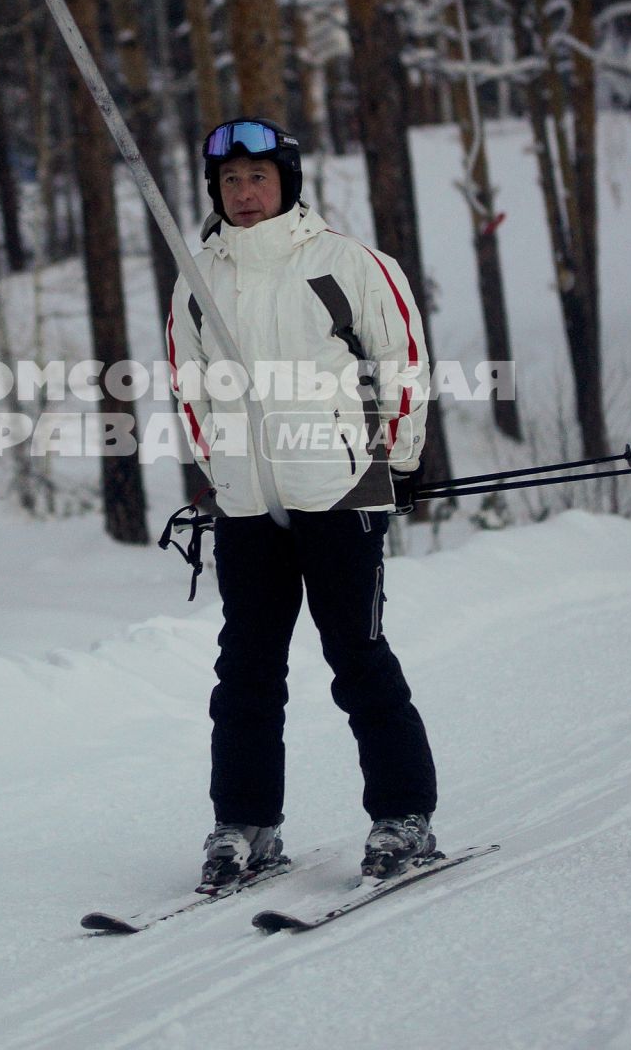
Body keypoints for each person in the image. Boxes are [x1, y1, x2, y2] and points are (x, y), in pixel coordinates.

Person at [165, 117, 439, 888]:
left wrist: (403, 457)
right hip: (249, 504)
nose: (243, 195)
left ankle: (403, 816)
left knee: (357, 659)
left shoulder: (347, 264)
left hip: (339, 491)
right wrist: (219, 473)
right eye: (228, 182)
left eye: (256, 178)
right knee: (246, 672)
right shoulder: (199, 280)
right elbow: (190, 387)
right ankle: (246, 825)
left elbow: (402, 362)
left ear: (286, 181)